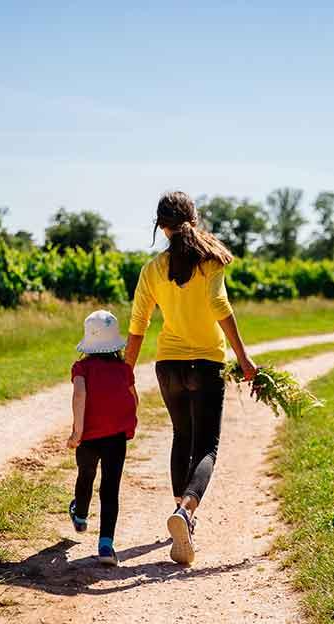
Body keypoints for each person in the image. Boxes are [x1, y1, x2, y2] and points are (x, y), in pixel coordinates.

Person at [126, 191, 257, 565]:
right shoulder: (211, 260)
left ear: (160, 226)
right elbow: (220, 307)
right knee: (206, 447)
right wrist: (244, 358)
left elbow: (138, 324)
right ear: (194, 219)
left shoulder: (152, 269)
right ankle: (185, 513)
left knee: (181, 437)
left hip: (168, 365)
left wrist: (127, 372)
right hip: (207, 365)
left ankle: (180, 518)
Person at [67, 309, 139, 566]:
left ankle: (81, 515)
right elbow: (133, 399)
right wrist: (129, 425)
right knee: (110, 488)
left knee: (86, 474)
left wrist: (77, 431)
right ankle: (106, 546)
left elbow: (79, 396)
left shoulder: (82, 367)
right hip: (116, 438)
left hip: (89, 437)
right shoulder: (123, 369)